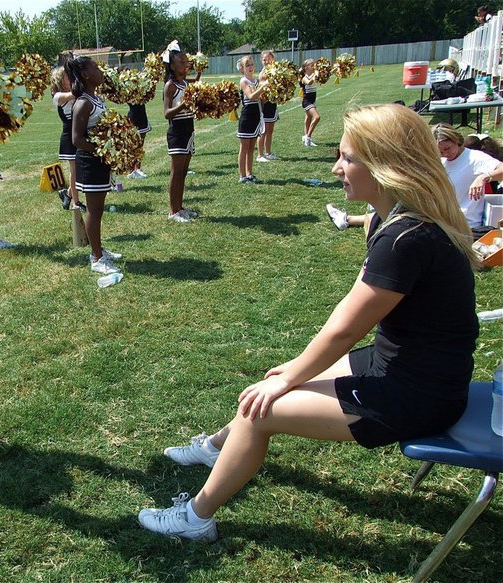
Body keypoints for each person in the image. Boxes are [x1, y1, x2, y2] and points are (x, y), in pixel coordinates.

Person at [138, 104, 479, 541]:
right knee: (277, 379)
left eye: (348, 158)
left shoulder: (406, 237)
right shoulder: (388, 218)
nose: (337, 168)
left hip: (420, 394)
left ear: (383, 164)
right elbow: (353, 308)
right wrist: (292, 372)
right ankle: (214, 449)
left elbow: (346, 329)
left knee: (258, 408)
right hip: (402, 366)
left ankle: (195, 519)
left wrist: (290, 379)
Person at [65, 55, 123, 275]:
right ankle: (96, 258)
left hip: (100, 160)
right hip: (90, 162)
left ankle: (99, 249)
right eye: (96, 68)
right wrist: (103, 148)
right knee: (94, 210)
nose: (101, 72)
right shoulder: (82, 102)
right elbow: (77, 139)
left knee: (98, 210)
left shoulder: (95, 98)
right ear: (86, 74)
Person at [433, 123, 503, 238]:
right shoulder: (441, 162)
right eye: (440, 152)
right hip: (445, 226)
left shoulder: (474, 158)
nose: (446, 154)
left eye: (447, 148)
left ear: (455, 139)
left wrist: (483, 177)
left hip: (467, 228)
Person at [163, 40, 201, 223]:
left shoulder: (185, 83)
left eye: (187, 61)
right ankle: (173, 211)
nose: (186, 64)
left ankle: (180, 207)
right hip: (177, 132)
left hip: (189, 129)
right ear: (172, 65)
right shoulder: (170, 85)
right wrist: (183, 105)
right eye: (181, 62)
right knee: (176, 172)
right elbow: (167, 113)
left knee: (184, 172)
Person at [50, 66, 85, 211]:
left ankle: (68, 194)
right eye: (66, 76)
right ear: (59, 79)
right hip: (69, 137)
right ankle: (76, 203)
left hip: (79, 133)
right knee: (75, 171)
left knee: (79, 170)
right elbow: (75, 94)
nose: (69, 77)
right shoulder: (58, 96)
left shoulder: (73, 91)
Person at [237, 55, 267, 183]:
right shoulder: (244, 81)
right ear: (242, 68)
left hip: (255, 115)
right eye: (247, 65)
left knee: (251, 148)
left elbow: (260, 100)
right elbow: (251, 96)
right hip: (247, 117)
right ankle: (242, 176)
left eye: (251, 64)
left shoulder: (255, 81)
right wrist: (263, 87)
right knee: (244, 147)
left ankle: (249, 174)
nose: (250, 67)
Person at [257, 50, 279, 162]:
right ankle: (260, 155)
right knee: (263, 131)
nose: (266, 61)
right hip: (264, 104)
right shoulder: (263, 73)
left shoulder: (275, 70)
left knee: (270, 130)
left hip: (272, 102)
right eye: (264, 59)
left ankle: (268, 152)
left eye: (268, 59)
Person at [300, 59, 321, 147]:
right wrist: (315, 76)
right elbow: (309, 82)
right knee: (317, 117)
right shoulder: (304, 78)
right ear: (305, 68)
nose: (313, 66)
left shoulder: (313, 74)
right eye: (311, 65)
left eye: (313, 65)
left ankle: (306, 138)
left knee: (308, 117)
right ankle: (308, 137)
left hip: (313, 100)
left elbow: (325, 77)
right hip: (307, 101)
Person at [126, 102, 150, 179]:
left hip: (142, 117)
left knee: (140, 146)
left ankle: (137, 169)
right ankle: (132, 170)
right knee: (133, 146)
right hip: (134, 118)